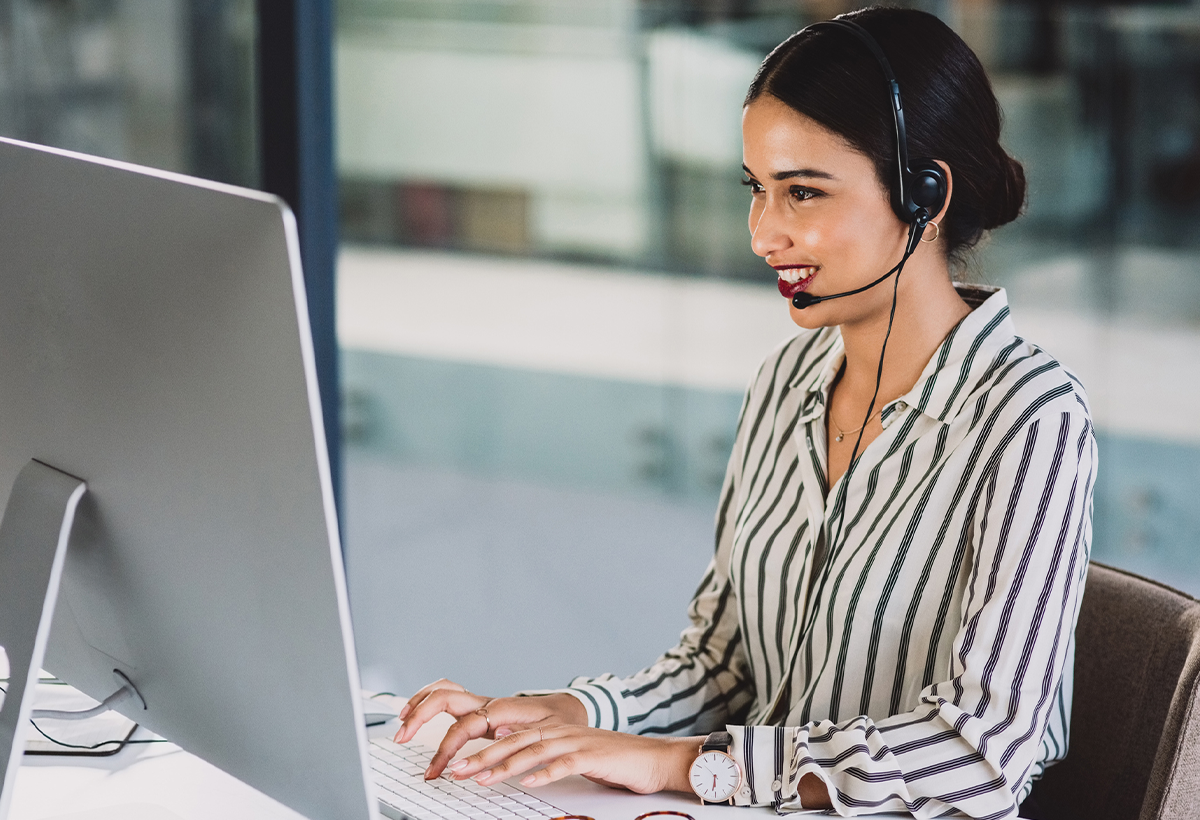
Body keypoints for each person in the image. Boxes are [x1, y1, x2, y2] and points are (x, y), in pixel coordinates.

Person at [394, 7, 1096, 818]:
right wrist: (571, 718)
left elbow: (981, 755)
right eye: (756, 191)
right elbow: (721, 665)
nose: (763, 234)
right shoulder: (785, 379)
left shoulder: (1029, 416)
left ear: (924, 194)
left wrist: (690, 769)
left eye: (802, 193)